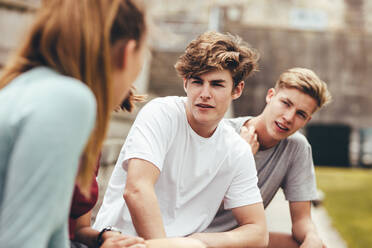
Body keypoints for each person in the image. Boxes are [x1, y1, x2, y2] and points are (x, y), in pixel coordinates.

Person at [93, 31, 268, 248]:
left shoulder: (236, 150)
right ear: (185, 83)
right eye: (197, 82)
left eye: (216, 84)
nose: (205, 93)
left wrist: (200, 241)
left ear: (237, 89)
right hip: (123, 242)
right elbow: (137, 189)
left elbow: (257, 232)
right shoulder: (161, 113)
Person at [0, 0, 148, 247]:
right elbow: (22, 240)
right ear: (127, 52)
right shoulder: (68, 99)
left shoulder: (27, 87)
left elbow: (51, 232)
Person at [206, 67, 332, 248]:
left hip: (241, 238)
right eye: (286, 103)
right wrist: (241, 159)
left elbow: (301, 220)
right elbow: (198, 205)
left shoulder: (297, 148)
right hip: (197, 234)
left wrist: (312, 237)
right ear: (270, 96)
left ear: (307, 121)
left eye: (300, 114)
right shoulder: (221, 132)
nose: (289, 117)